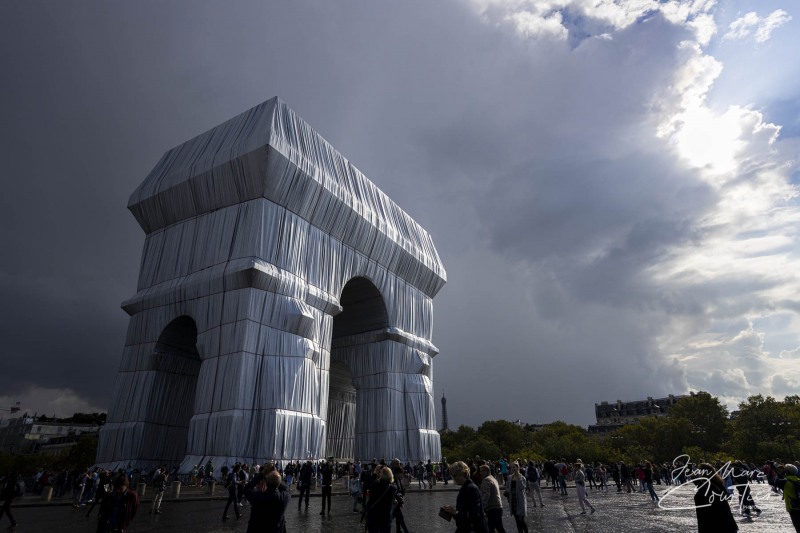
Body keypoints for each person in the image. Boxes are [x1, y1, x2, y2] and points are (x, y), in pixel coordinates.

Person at [442, 461, 488, 533]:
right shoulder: (466, 487)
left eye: (455, 476)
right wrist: (451, 512)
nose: (453, 479)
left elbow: (475, 514)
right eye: (452, 476)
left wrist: (455, 512)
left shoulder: (471, 488)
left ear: (463, 474)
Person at [692, 463, 738, 532]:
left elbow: (703, 516)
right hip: (727, 522)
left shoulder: (706, 488)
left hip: (716, 525)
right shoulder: (716, 483)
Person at [362, 466, 397, 533]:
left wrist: (375, 473)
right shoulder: (393, 488)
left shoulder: (374, 485)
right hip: (385, 517)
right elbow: (394, 484)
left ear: (380, 474)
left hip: (373, 516)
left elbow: (369, 485)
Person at [768, 463, 800, 532]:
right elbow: (785, 479)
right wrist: (777, 471)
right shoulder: (797, 479)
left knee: (798, 527)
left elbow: (771, 482)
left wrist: (770, 471)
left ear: (787, 472)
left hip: (793, 507)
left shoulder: (785, 482)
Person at [479, 464, 506, 533]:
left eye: (481, 471)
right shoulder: (493, 479)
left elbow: (486, 495)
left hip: (492, 508)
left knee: (490, 529)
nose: (480, 473)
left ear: (486, 471)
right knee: (499, 528)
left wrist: (482, 507)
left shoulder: (486, 480)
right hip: (498, 506)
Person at [504, 462, 528, 533]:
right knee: (517, 520)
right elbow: (508, 487)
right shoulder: (509, 477)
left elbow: (522, 487)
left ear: (518, 468)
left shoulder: (522, 477)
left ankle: (526, 531)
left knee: (521, 519)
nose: (513, 469)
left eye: (514, 467)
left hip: (520, 500)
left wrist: (519, 477)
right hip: (513, 500)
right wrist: (507, 492)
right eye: (512, 467)